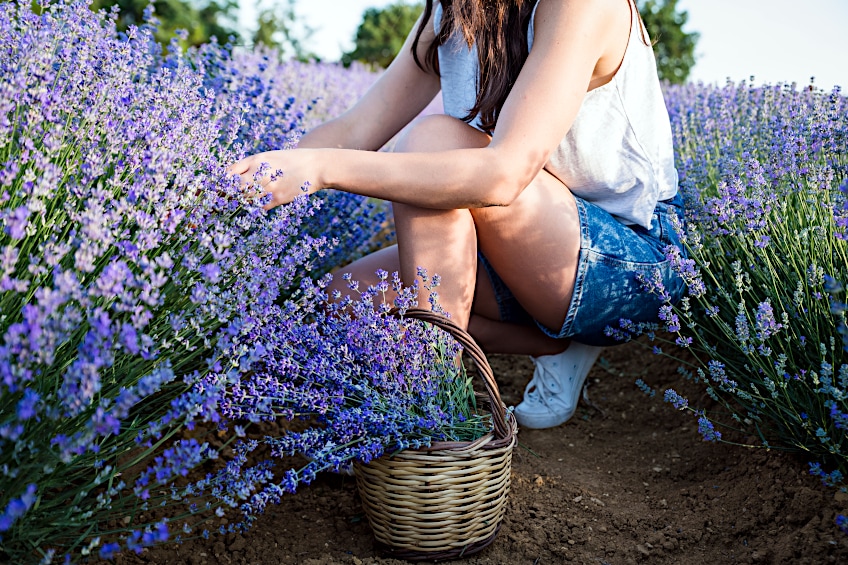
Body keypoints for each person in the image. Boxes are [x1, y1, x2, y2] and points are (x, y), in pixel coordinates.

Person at [229, 0, 686, 429]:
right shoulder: (454, 11)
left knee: (433, 144)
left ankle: (433, 399)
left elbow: (502, 176)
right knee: (339, 300)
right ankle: (554, 343)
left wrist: (322, 169)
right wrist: (237, 192)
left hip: (631, 262)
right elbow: (354, 129)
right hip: (517, 243)